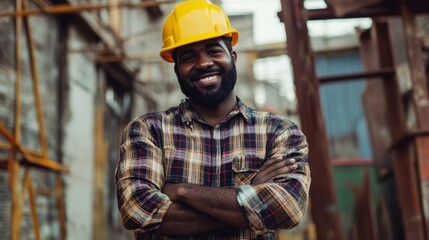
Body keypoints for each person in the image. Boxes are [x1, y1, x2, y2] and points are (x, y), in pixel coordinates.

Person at [115, 0, 311, 239]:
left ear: (233, 56)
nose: (204, 63)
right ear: (177, 69)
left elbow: (287, 207)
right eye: (188, 57)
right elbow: (137, 211)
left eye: (214, 51)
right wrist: (249, 194)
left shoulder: (278, 132)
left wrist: (182, 191)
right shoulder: (148, 131)